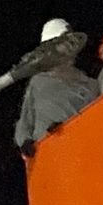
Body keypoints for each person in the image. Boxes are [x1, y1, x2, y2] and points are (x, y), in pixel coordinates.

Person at [14, 17, 94, 155]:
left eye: (71, 42)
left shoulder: (91, 84)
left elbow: (98, 120)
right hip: (48, 158)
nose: (69, 46)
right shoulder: (38, 82)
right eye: (64, 43)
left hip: (81, 154)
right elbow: (25, 122)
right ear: (50, 49)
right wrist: (26, 142)